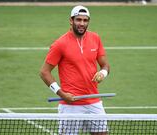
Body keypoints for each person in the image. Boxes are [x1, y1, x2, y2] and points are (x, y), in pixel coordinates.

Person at [40, 5, 110, 135]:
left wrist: (102, 73)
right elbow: (44, 72)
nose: (82, 23)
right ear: (71, 20)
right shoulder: (60, 44)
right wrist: (62, 94)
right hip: (70, 106)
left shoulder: (95, 38)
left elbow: (105, 65)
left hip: (93, 101)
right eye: (78, 20)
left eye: (85, 20)